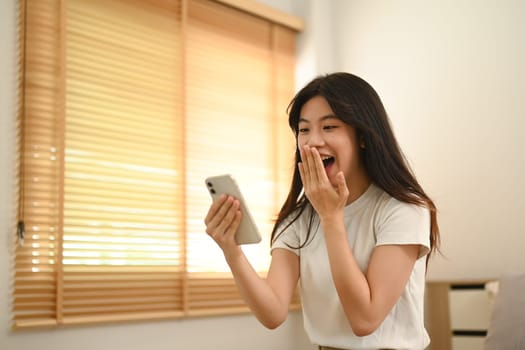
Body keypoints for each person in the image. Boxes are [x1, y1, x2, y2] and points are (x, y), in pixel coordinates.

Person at [204, 72, 440, 350]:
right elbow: (273, 312)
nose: (312, 141)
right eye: (304, 130)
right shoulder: (298, 219)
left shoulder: (403, 209)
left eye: (329, 127)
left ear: (362, 136)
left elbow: (365, 319)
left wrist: (331, 218)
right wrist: (232, 252)